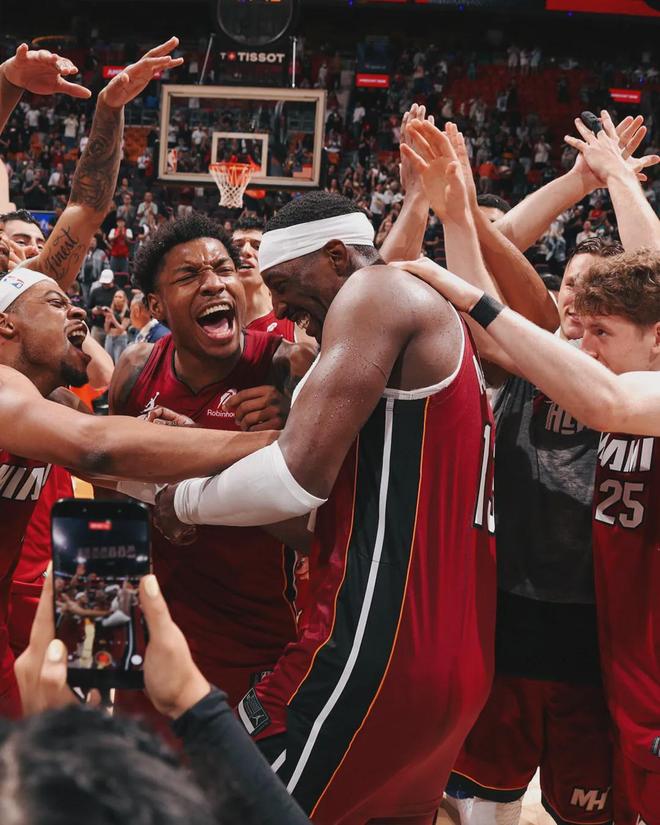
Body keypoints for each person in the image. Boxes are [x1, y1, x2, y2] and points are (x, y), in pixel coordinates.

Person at [154, 191, 496, 825]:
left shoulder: (376, 291)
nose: (282, 311)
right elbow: (320, 518)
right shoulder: (431, 323)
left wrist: (184, 500)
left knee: (230, 804)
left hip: (373, 646)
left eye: (284, 288)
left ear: (337, 256)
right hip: (457, 660)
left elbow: (296, 477)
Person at [399, 112, 660, 825]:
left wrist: (615, 181)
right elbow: (495, 320)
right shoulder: (553, 351)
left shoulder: (627, 388)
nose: (581, 319)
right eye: (576, 300)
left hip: (609, 635)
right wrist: (462, 216)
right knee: (482, 797)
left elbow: (608, 394)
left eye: (603, 319)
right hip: (520, 612)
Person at [0, 266, 285, 719]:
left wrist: (96, 654)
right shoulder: (132, 370)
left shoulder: (57, 405)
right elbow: (97, 450)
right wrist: (285, 444)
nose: (78, 310)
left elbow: (121, 478)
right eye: (56, 303)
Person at [108, 213, 316, 737]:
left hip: (256, 632)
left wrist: (285, 430)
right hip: (152, 625)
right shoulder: (134, 369)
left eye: (223, 269)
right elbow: (116, 500)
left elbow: (318, 527)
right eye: (189, 275)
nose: (214, 283)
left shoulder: (289, 367)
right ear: (156, 306)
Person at [88, 268, 116, 346]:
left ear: (112, 280)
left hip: (112, 328)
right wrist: (92, 311)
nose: (105, 284)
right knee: (94, 349)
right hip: (97, 326)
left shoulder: (117, 293)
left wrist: (111, 313)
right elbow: (87, 309)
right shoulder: (95, 291)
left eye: (107, 283)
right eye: (104, 283)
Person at [103, 288, 130, 363]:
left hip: (120, 338)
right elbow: (106, 330)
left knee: (119, 363)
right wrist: (107, 321)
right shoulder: (110, 310)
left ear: (124, 299)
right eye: (116, 296)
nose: (117, 299)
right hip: (109, 337)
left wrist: (112, 318)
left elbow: (122, 329)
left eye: (120, 297)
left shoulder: (127, 312)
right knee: (108, 362)